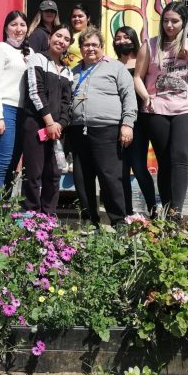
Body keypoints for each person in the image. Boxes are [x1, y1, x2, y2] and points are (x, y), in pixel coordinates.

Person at [134, 1, 188, 218]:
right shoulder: (150, 45)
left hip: (185, 110)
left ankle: (176, 212)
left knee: (180, 158)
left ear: (184, 22)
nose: (170, 26)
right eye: (166, 21)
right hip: (157, 110)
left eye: (175, 21)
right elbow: (138, 76)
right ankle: (166, 209)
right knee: (164, 161)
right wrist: (146, 97)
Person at [69, 27, 136, 227]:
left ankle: (118, 222)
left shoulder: (115, 67)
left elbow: (129, 96)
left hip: (107, 129)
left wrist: (127, 124)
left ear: (102, 47)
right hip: (78, 130)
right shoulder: (74, 71)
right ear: (80, 48)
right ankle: (90, 222)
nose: (90, 49)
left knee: (110, 177)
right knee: (82, 178)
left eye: (94, 45)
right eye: (86, 45)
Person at [22, 25, 73, 215]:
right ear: (50, 37)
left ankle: (48, 216)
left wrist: (60, 124)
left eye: (66, 39)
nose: (61, 41)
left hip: (57, 131)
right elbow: (36, 92)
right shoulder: (38, 59)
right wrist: (49, 122)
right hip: (36, 125)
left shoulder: (67, 71)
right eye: (58, 36)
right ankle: (31, 215)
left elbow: (68, 103)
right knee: (33, 173)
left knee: (54, 174)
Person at [0, 10, 31, 196]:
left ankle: (3, 210)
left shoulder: (29, 53)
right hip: (5, 110)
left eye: (22, 25)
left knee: (13, 163)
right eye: (14, 25)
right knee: (1, 161)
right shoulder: (0, 49)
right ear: (5, 28)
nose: (18, 29)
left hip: (23, 112)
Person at [112, 26, 158, 217]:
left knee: (139, 167)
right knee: (121, 171)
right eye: (118, 38)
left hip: (138, 123)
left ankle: (154, 209)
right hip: (115, 123)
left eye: (126, 37)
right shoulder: (112, 65)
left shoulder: (142, 64)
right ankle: (126, 213)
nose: (122, 41)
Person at [64, 3, 91, 68]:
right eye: (74, 16)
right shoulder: (67, 34)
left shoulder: (91, 36)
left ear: (88, 18)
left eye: (80, 16)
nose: (76, 19)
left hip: (82, 75)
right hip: (65, 75)